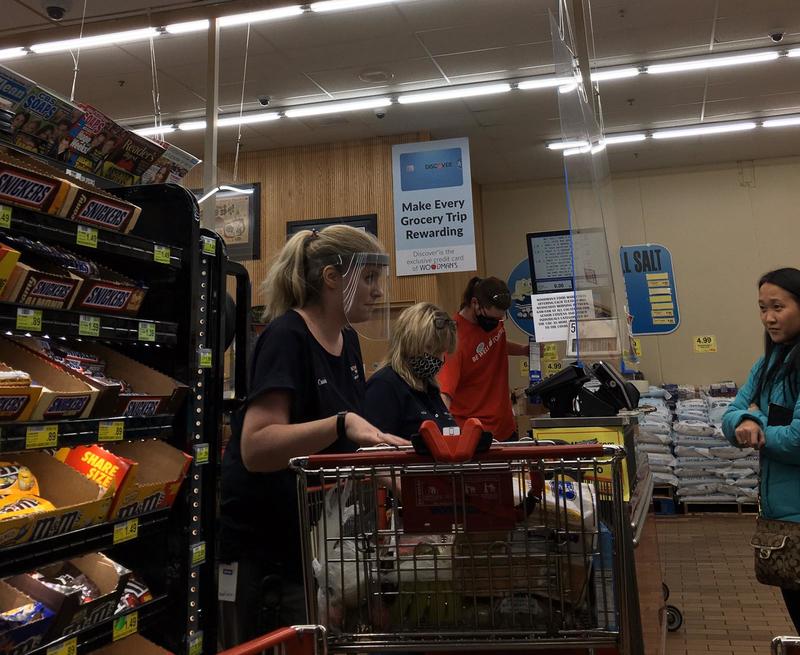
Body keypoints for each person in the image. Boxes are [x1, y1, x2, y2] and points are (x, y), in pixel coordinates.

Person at [219, 225, 407, 646]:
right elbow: (256, 447)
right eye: (370, 278)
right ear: (331, 277)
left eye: (380, 279)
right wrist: (341, 424)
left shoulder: (350, 342)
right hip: (262, 546)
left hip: (308, 539)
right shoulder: (287, 336)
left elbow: (337, 445)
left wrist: (384, 465)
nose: (378, 291)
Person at [722, 267, 800, 633]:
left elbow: (797, 441)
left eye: (778, 306)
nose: (768, 317)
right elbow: (730, 415)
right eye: (762, 307)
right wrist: (745, 421)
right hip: (782, 520)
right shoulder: (768, 364)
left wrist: (758, 421)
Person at [437, 277, 529, 441]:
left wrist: (522, 350)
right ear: (475, 304)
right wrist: (441, 435)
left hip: (505, 426)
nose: (497, 323)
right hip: (475, 435)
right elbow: (445, 394)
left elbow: (494, 343)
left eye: (500, 319)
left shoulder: (492, 321)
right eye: (493, 319)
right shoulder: (454, 339)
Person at [365, 302, 457, 439]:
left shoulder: (429, 387)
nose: (439, 359)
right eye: (431, 349)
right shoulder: (384, 386)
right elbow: (377, 448)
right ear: (409, 343)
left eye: (442, 351)